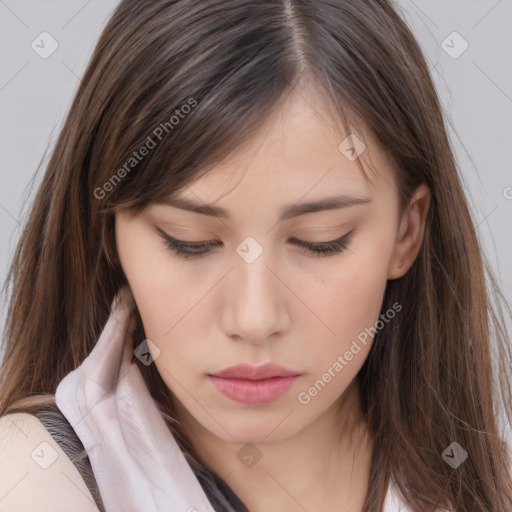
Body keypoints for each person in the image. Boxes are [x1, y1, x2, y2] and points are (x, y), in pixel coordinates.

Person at [1, 0, 511, 511]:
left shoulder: (489, 488)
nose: (255, 318)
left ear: (406, 231)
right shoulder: (31, 480)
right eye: (188, 240)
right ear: (107, 232)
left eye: (321, 239)